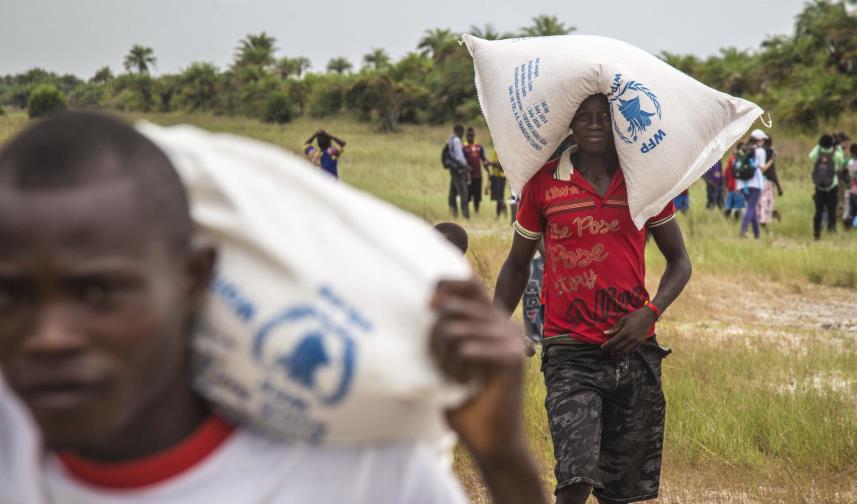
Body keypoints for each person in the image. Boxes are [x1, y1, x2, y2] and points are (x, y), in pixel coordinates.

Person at [0, 112, 547, 504]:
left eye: (98, 293)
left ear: (193, 278)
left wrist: (503, 460)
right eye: (9, 296)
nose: (49, 336)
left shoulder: (354, 467)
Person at [494, 94, 692, 504]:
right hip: (570, 353)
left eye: (604, 116)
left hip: (635, 350)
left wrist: (650, 313)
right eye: (584, 117)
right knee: (577, 479)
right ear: (570, 125)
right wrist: (495, 326)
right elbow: (517, 266)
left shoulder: (645, 181)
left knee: (621, 493)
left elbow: (680, 263)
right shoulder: (543, 184)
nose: (596, 124)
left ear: (619, 123)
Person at [809, 133, 843, 240]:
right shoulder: (836, 155)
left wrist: (819, 145)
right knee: (832, 209)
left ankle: (816, 233)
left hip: (819, 187)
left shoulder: (817, 154)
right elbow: (841, 161)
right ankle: (831, 229)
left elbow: (810, 156)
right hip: (832, 186)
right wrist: (837, 146)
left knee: (818, 211)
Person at [739, 130, 770, 239]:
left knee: (751, 208)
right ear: (759, 140)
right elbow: (762, 168)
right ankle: (743, 231)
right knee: (751, 207)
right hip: (756, 182)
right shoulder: (761, 151)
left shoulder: (744, 149)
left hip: (742, 183)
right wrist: (771, 160)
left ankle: (757, 234)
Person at [446, 125, 471, 219]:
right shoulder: (456, 140)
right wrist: (466, 166)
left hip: (453, 168)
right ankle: (465, 214)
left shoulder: (450, 139)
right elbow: (458, 156)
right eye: (462, 132)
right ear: (459, 131)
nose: (463, 135)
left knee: (453, 191)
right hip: (459, 169)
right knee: (464, 191)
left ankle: (453, 212)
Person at [757, 135, 782, 226]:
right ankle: (773, 215)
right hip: (767, 182)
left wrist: (778, 186)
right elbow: (772, 172)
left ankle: (764, 225)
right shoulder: (769, 152)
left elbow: (771, 171)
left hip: (761, 182)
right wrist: (778, 186)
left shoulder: (759, 151)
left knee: (761, 204)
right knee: (765, 204)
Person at [463, 127, 488, 214]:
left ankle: (476, 212)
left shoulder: (479, 147)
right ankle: (466, 214)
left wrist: (489, 171)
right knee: (467, 195)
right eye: (468, 135)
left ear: (474, 135)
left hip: (478, 176)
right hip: (468, 176)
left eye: (472, 135)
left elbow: (484, 159)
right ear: (466, 136)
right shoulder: (463, 147)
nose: (470, 137)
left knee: (477, 196)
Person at [723, 145, 746, 219]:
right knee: (737, 207)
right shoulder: (743, 160)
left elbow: (726, 174)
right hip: (738, 187)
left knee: (728, 206)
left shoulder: (731, 159)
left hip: (731, 186)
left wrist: (725, 186)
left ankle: (727, 222)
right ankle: (734, 222)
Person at [485, 153, 508, 219]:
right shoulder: (496, 148)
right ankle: (498, 214)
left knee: (499, 196)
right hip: (496, 175)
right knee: (499, 196)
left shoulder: (501, 149)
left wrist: (490, 163)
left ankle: (503, 210)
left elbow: (500, 163)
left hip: (500, 176)